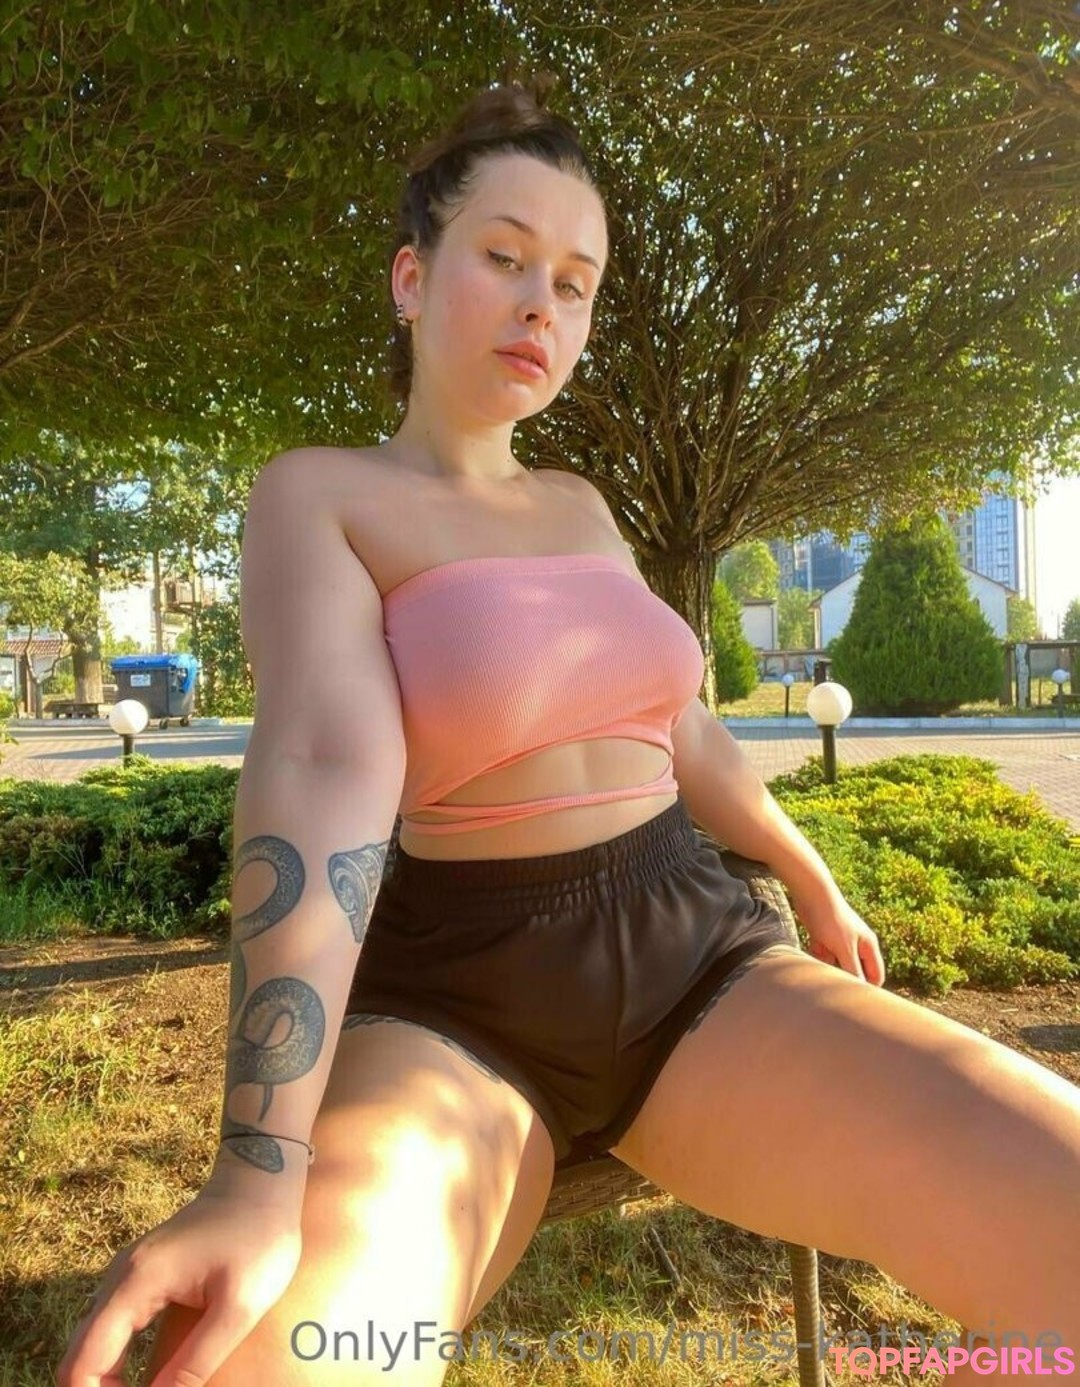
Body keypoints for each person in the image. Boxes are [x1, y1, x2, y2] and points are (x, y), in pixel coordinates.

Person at [59, 80, 1079, 1387]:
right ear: (411, 278)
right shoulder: (321, 495)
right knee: (268, 1365)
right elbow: (323, 765)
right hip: (456, 1009)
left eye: (576, 283)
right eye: (505, 257)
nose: (544, 304)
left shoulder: (586, 505)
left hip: (699, 963)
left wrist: (810, 876)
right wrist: (257, 1174)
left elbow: (680, 729)